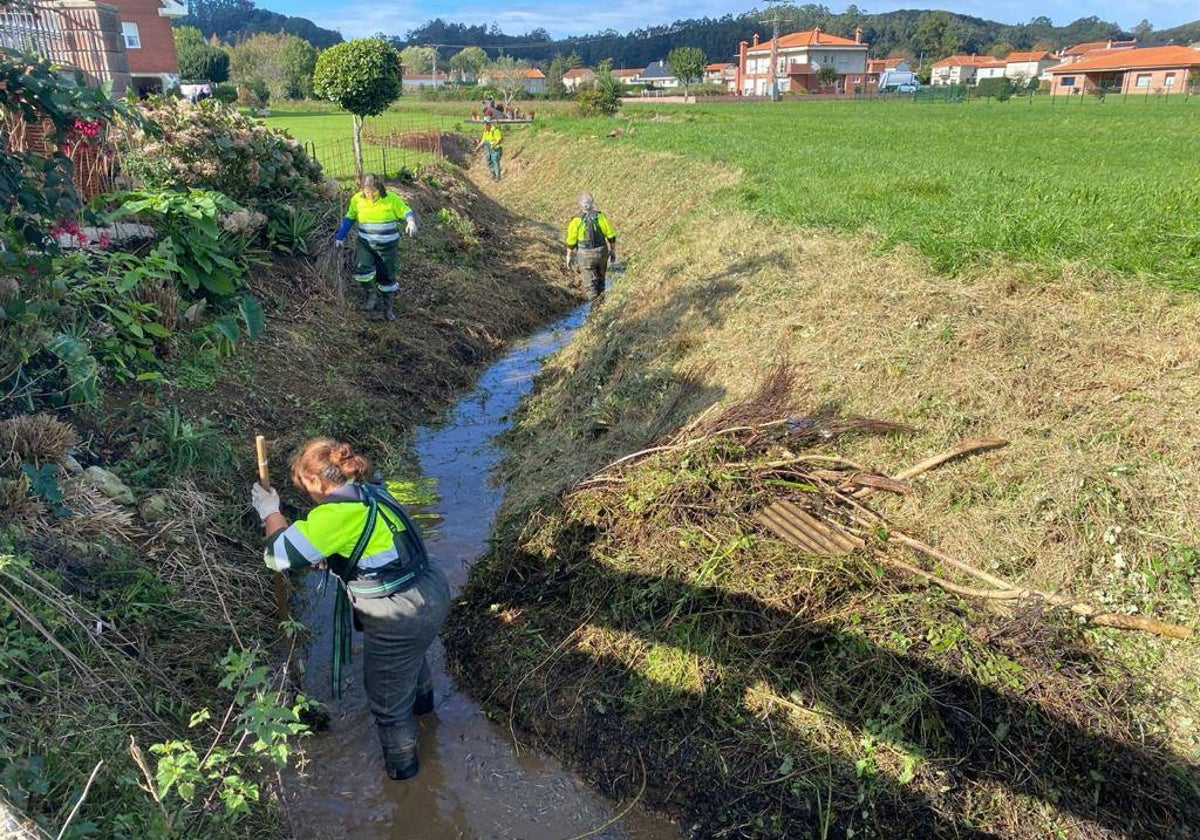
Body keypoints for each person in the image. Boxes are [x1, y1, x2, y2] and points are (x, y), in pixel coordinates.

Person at [251, 438, 450, 781]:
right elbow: (377, 547)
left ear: (316, 481)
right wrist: (332, 559)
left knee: (388, 705)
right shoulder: (372, 492)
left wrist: (270, 511)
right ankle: (427, 718)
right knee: (412, 661)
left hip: (398, 612)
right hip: (430, 591)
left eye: (304, 485)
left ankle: (407, 780)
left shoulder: (335, 514)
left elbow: (279, 556)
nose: (307, 494)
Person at [334, 174, 418, 321]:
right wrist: (340, 236)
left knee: (386, 275)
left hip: (388, 247)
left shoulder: (390, 198)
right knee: (361, 268)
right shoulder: (357, 200)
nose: (370, 195)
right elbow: (349, 218)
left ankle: (388, 308)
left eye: (373, 192)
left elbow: (406, 211)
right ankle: (371, 294)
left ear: (379, 188)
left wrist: (410, 222)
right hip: (366, 244)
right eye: (367, 192)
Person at [564, 192, 617, 299]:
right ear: (593, 203)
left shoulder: (576, 220)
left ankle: (594, 309)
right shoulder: (600, 216)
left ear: (580, 203)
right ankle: (602, 304)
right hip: (601, 252)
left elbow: (571, 241)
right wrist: (612, 251)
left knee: (590, 285)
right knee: (601, 282)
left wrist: (568, 256)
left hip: (584, 255)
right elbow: (611, 235)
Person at [474, 117, 503, 181]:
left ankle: (498, 177)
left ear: (488, 124)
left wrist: (494, 145)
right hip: (489, 148)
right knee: (489, 161)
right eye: (483, 124)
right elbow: (483, 140)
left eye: (484, 124)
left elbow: (500, 139)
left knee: (495, 160)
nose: (483, 126)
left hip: (496, 149)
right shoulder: (485, 131)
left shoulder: (495, 130)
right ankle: (493, 175)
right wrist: (477, 147)